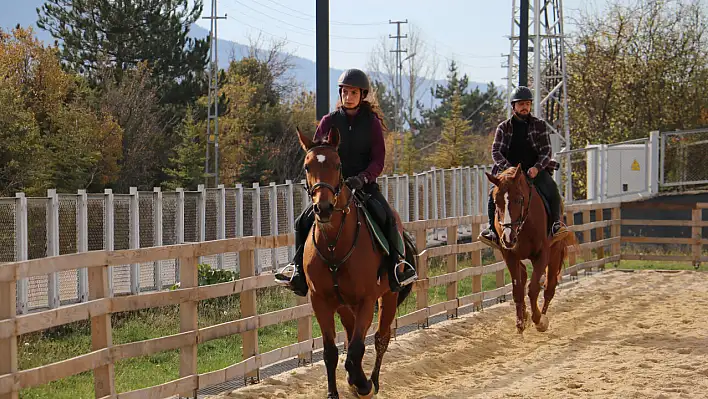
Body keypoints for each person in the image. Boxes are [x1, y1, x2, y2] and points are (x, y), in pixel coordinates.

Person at [274, 68, 418, 297]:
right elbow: (318, 152)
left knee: (388, 218)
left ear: (362, 95)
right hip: (331, 189)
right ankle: (297, 270)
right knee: (301, 222)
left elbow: (378, 160)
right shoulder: (329, 121)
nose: (348, 96)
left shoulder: (371, 123)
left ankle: (397, 270)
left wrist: (362, 178)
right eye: (345, 92)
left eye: (353, 92)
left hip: (364, 186)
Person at [478, 86, 567, 248]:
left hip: (533, 170)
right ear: (513, 107)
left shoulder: (539, 125)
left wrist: (537, 168)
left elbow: (547, 150)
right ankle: (491, 230)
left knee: (552, 190)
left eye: (527, 103)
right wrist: (509, 170)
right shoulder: (503, 127)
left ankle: (556, 226)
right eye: (520, 104)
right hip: (509, 173)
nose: (524, 107)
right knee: (493, 195)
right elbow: (496, 151)